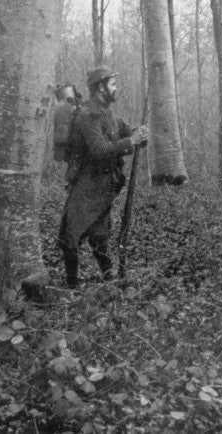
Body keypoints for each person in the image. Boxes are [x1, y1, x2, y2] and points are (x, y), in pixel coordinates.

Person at [59, 65, 149, 287]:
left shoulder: (106, 111)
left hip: (103, 184)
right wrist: (131, 141)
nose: (116, 88)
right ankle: (74, 285)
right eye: (113, 84)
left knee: (84, 234)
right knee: (72, 235)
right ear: (101, 87)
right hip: (90, 183)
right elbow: (99, 150)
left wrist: (138, 133)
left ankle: (107, 279)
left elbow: (123, 129)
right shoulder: (87, 116)